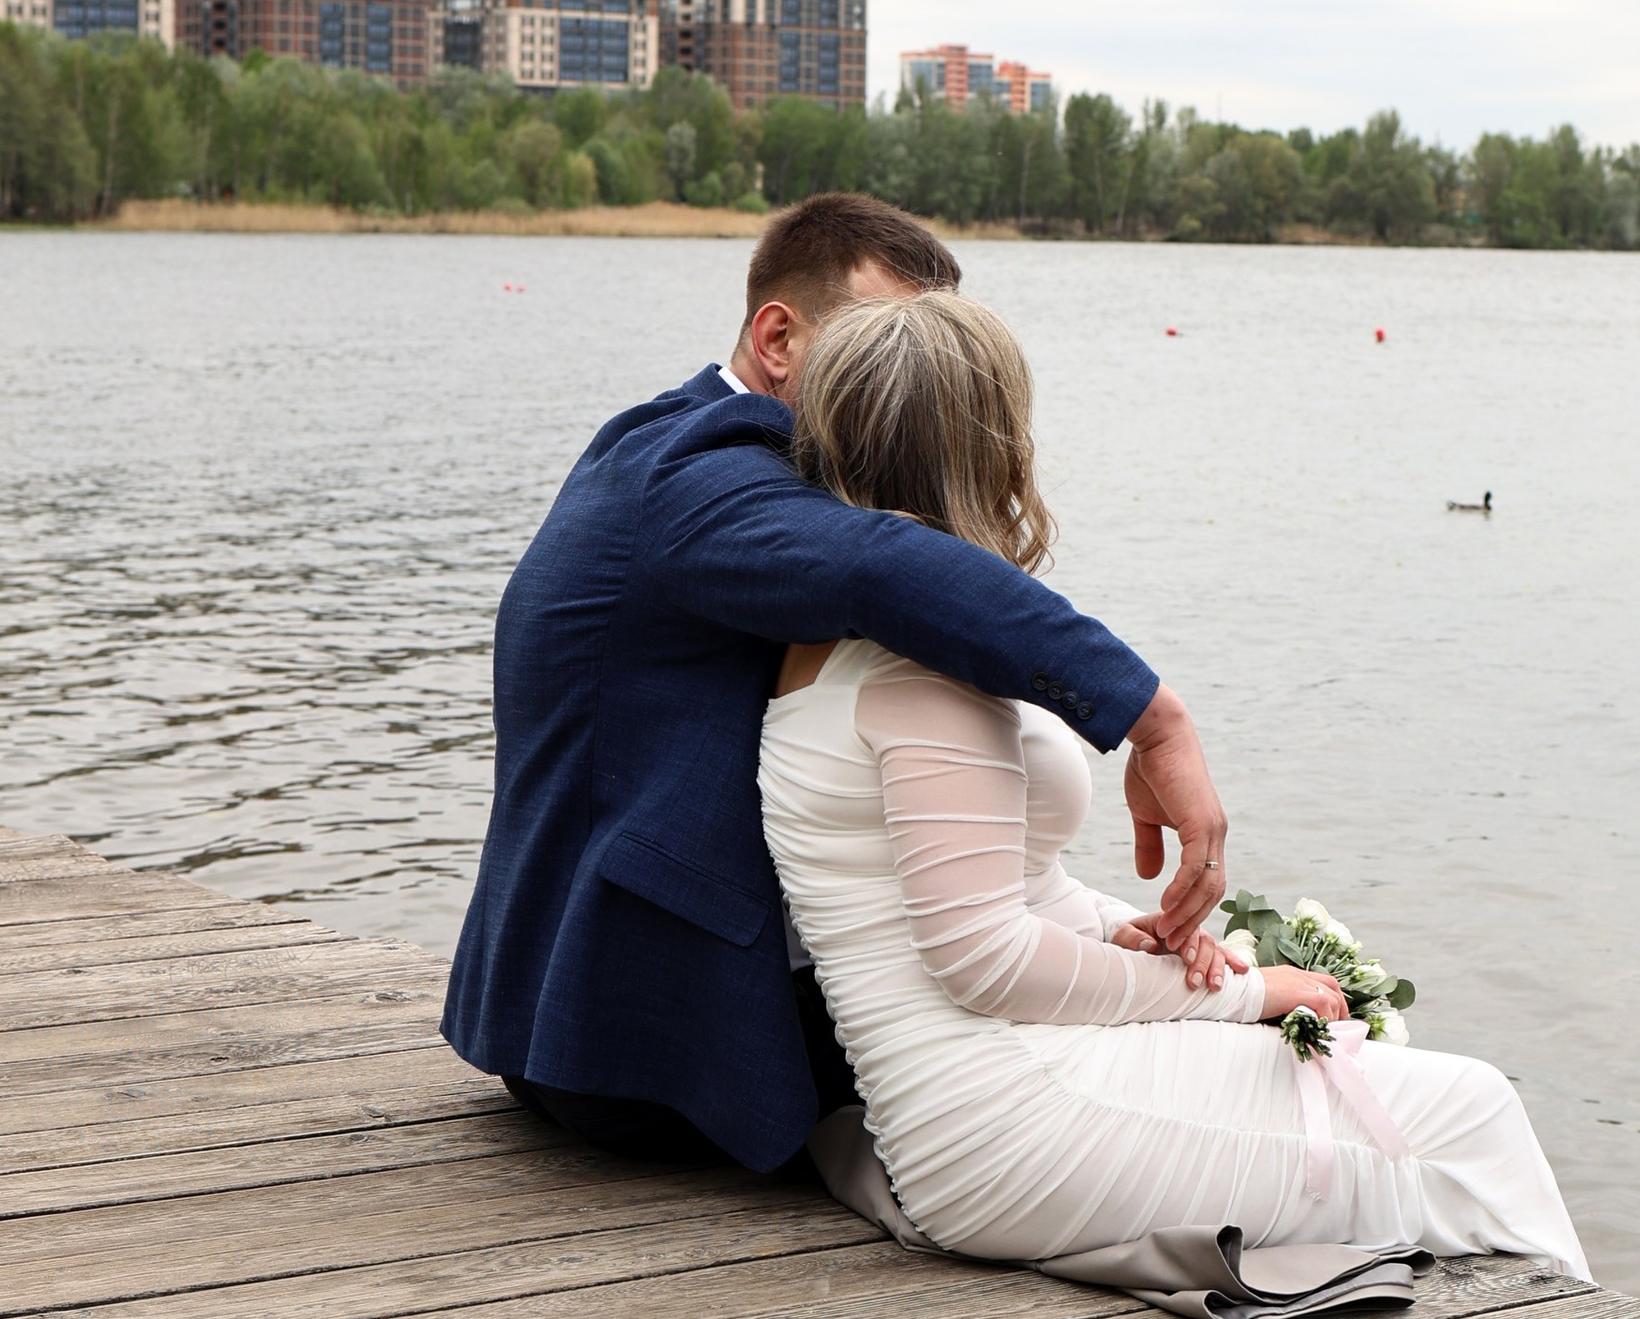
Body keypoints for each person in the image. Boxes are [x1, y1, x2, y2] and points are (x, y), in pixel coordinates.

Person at [759, 290, 1591, 1301]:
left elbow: (993, 890)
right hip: (1010, 1123)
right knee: (1473, 1115)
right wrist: (1248, 995)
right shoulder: (919, 673)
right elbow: (983, 961)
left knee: (1430, 1112)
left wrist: (1135, 934)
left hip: (980, 1100)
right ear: (990, 451)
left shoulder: (826, 643)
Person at [442, 192, 1233, 1173]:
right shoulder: (701, 472)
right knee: (1177, 1063)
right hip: (639, 1035)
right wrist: (1153, 718)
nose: (901, 375)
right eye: (878, 339)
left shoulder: (674, 445)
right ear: (778, 338)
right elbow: (878, 565)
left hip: (584, 1012)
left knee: (1154, 1017)